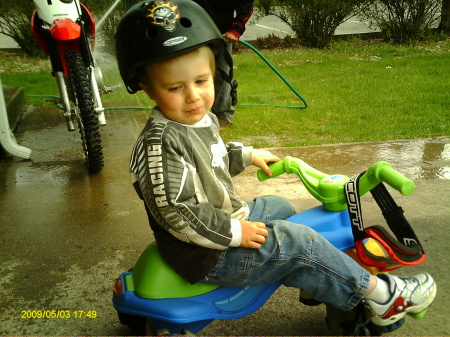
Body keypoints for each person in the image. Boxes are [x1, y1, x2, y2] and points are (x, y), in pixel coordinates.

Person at [115, 0, 437, 333]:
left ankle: (318, 278)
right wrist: (236, 233)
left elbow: (211, 157)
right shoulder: (160, 145)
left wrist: (248, 155)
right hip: (206, 253)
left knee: (279, 206)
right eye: (175, 88)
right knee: (296, 242)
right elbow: (177, 210)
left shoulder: (195, 120)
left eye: (201, 81)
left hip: (222, 223)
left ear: (214, 72)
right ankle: (384, 296)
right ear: (146, 86)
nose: (193, 96)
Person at [190, 0, 254, 130]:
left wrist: (236, 29)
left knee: (222, 75)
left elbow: (246, 5)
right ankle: (194, 115)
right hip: (190, 31)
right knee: (191, 74)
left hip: (220, 33)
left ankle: (223, 117)